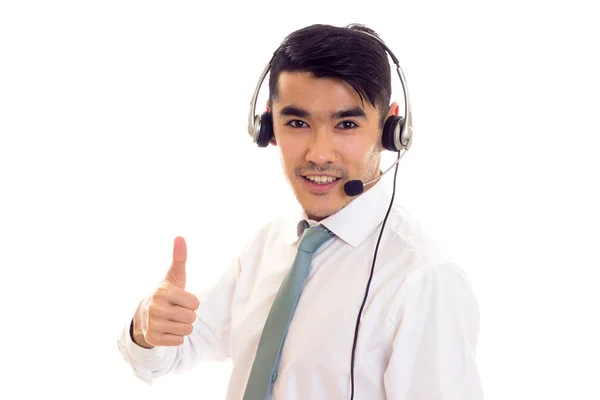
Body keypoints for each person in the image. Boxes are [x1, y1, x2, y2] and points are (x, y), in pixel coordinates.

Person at [117, 23, 484, 399]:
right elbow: (174, 350)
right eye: (297, 123)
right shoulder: (268, 245)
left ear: (391, 128)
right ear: (267, 125)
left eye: (346, 124)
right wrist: (147, 329)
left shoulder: (424, 277)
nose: (319, 154)